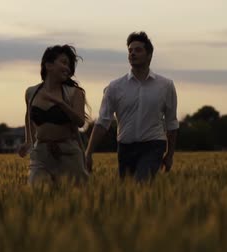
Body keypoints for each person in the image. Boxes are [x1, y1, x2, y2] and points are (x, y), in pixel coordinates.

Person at [85, 31, 178, 182]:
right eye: (130, 50)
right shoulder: (115, 87)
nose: (132, 54)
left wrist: (169, 154)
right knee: (128, 193)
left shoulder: (166, 85)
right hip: (125, 148)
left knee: (140, 184)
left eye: (138, 50)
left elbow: (171, 123)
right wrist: (88, 152)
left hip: (153, 145)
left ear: (149, 55)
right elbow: (102, 122)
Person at [17, 45, 89, 184]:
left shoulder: (75, 93)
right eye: (63, 62)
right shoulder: (31, 92)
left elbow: (80, 121)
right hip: (41, 154)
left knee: (71, 201)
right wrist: (28, 142)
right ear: (48, 65)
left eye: (69, 65)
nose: (67, 68)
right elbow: (29, 118)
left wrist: (61, 103)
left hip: (68, 154)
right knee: (39, 196)